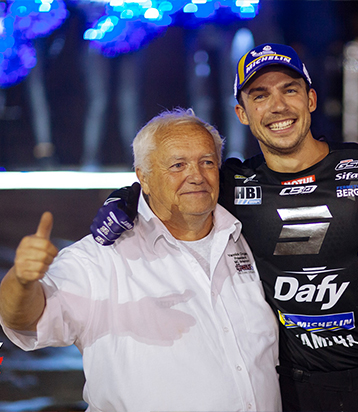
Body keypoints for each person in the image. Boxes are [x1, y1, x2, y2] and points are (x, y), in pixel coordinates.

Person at [91, 44, 358, 412]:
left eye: (290, 90)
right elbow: (171, 181)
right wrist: (121, 199)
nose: (277, 106)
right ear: (242, 113)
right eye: (260, 95)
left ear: (311, 99)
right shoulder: (233, 184)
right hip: (282, 390)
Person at [0, 109, 282, 412]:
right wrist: (22, 280)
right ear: (143, 178)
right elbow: (25, 320)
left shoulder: (245, 237)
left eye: (207, 162)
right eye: (178, 165)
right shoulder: (100, 259)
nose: (196, 175)